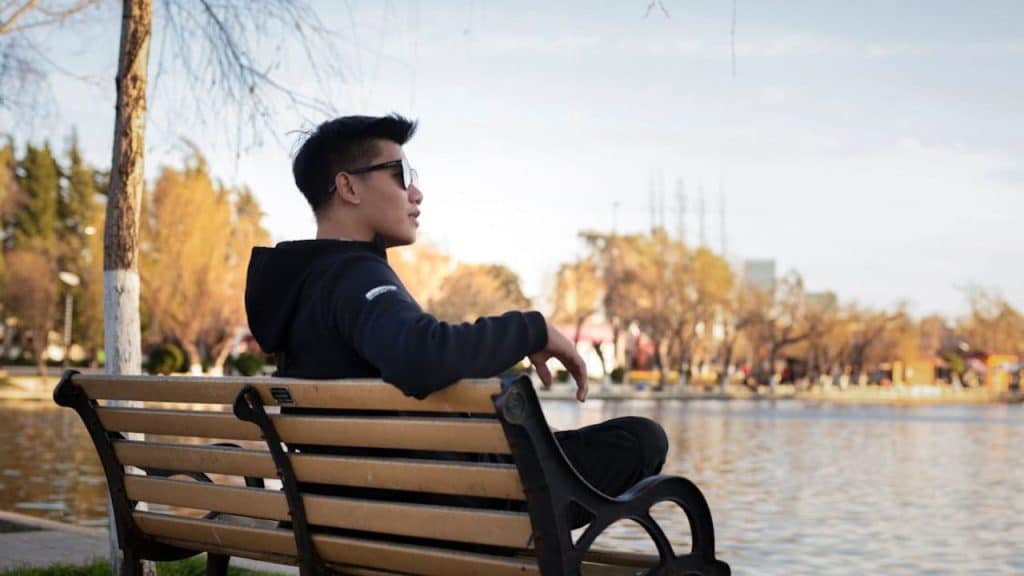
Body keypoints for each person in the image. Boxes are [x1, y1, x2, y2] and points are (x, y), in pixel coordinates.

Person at [244, 114, 667, 519]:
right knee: (640, 439)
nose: (417, 193)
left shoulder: (304, 286)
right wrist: (531, 329)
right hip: (432, 510)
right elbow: (420, 356)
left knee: (569, 442)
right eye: (402, 176)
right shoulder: (354, 274)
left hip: (354, 509)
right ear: (349, 188)